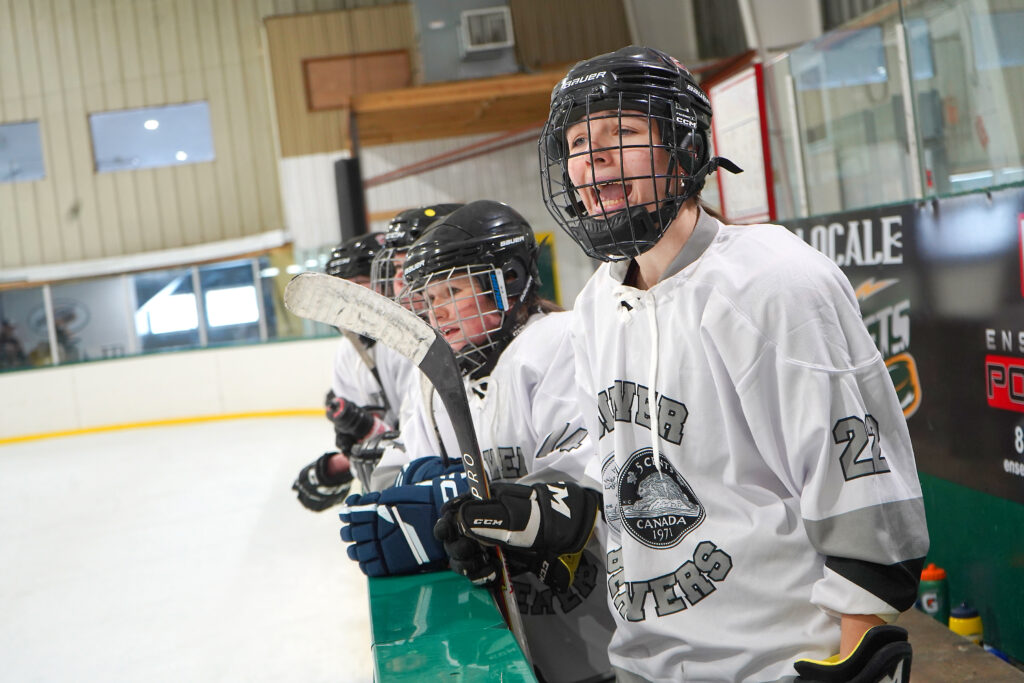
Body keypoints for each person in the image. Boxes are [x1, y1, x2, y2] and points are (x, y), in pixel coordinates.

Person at [440, 47, 929, 682]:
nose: (593, 159)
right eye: (579, 142)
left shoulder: (772, 281)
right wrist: (534, 509)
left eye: (621, 132)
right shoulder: (597, 303)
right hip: (643, 663)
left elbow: (865, 496)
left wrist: (853, 658)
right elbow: (615, 463)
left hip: (774, 666)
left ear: (685, 148)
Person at [340, 200, 616, 683]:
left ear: (508, 280)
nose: (437, 312)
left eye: (452, 291)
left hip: (601, 632)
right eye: (429, 299)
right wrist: (440, 496)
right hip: (528, 635)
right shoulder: (446, 378)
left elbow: (584, 494)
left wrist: (452, 500)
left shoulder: (556, 343)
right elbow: (407, 473)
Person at [292, 232, 407, 511]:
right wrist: (350, 448)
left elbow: (421, 440)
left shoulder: (408, 342)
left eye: (358, 284)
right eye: (342, 289)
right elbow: (375, 438)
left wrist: (353, 454)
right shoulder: (348, 349)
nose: (350, 298)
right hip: (391, 482)